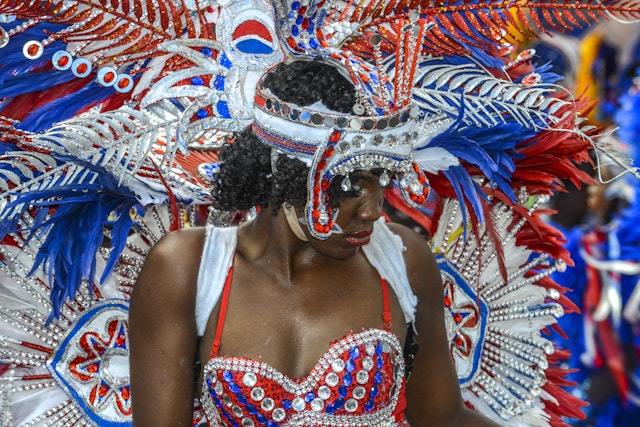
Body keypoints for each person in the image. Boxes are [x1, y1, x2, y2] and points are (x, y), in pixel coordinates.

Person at [129, 59, 500, 426]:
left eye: (380, 181)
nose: (372, 212)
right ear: (286, 175)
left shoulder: (402, 260)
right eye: (350, 186)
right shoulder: (188, 269)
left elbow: (444, 419)